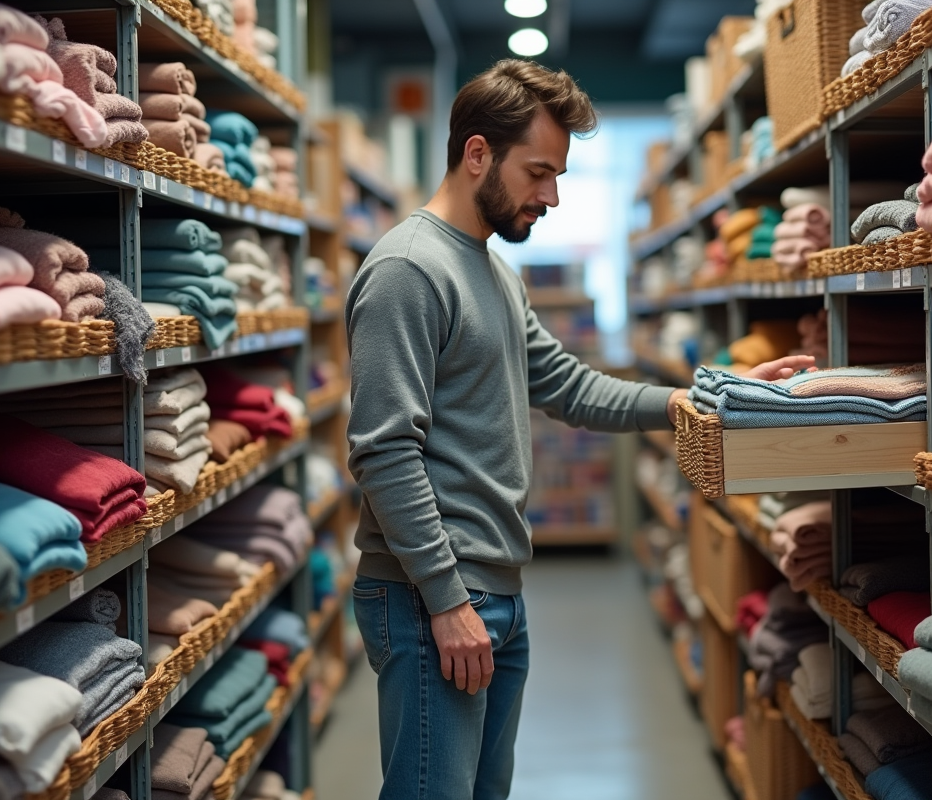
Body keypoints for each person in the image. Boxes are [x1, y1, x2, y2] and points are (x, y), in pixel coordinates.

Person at [345, 58, 814, 800]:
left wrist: (700, 397)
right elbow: (384, 452)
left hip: (493, 588)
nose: (552, 197)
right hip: (431, 596)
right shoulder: (408, 270)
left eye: (557, 176)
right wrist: (446, 599)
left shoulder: (495, 273)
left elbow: (567, 384)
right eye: (538, 173)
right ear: (477, 154)